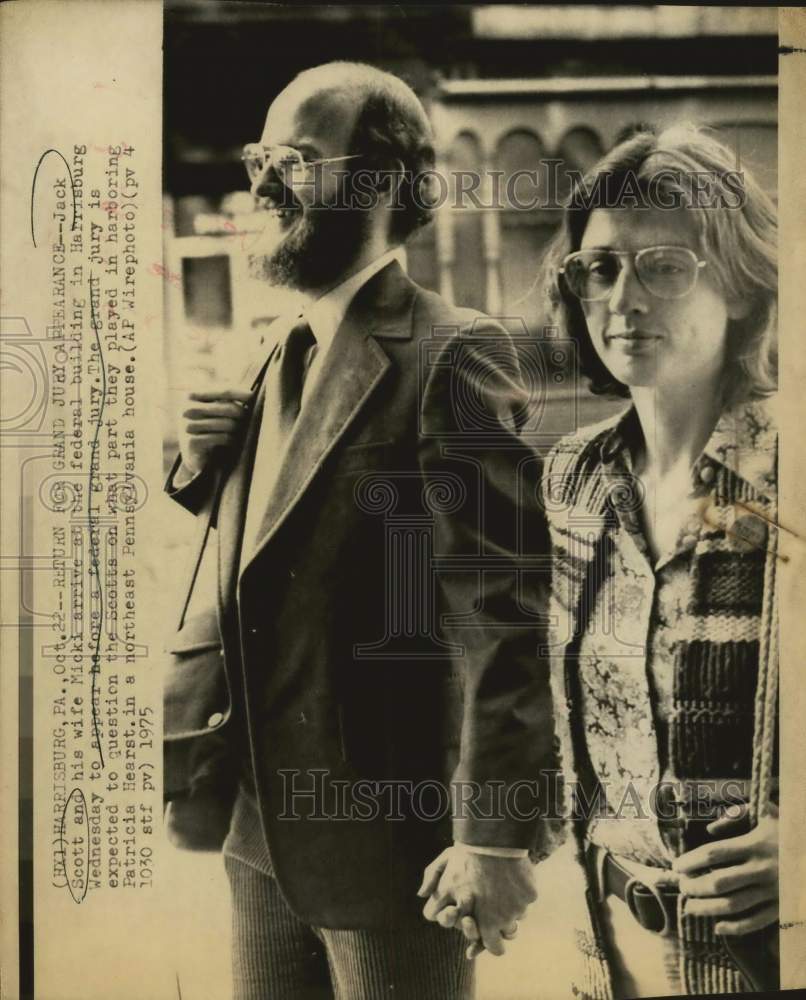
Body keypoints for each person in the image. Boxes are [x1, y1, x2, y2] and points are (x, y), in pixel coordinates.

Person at [162, 61, 555, 999]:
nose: (260, 183)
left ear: (378, 182)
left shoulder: (451, 350)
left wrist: (491, 834)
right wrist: (194, 462)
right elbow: (273, 543)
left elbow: (503, 614)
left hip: (390, 846)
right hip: (258, 827)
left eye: (292, 159)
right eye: (260, 156)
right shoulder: (276, 343)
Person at [532, 125, 779, 997]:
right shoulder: (573, 474)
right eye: (599, 269)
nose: (622, 299)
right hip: (609, 949)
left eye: (664, 266)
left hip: (769, 954)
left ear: (743, 287)